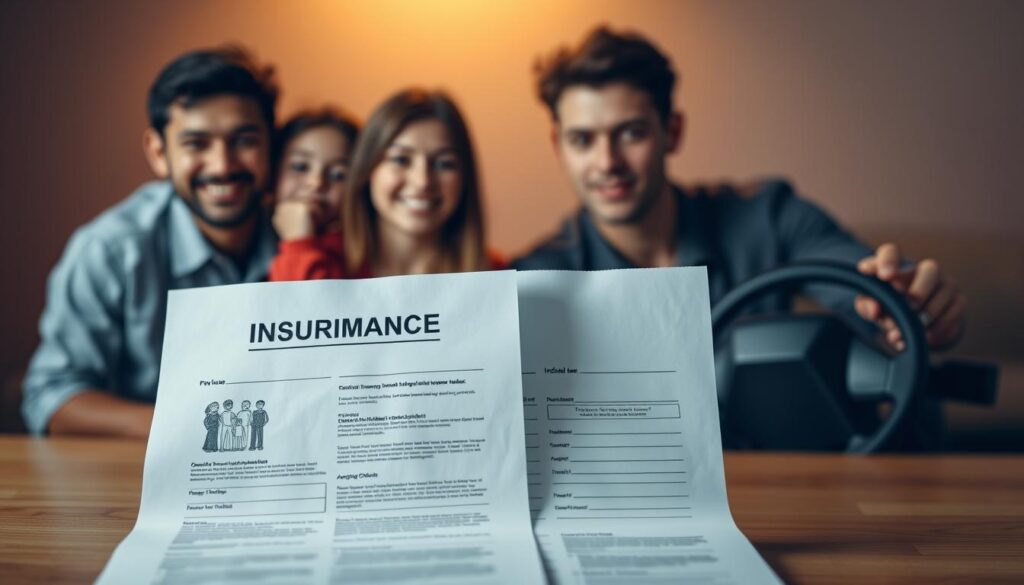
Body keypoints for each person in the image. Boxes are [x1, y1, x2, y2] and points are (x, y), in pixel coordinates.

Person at [514, 27, 966, 353]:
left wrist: (911, 305)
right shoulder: (536, 278)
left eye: (631, 133)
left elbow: (864, 284)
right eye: (582, 140)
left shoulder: (769, 217)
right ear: (558, 147)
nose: (608, 162)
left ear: (672, 132)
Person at [21, 46, 280, 437]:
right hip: (138, 479)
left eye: (244, 140)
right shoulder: (109, 250)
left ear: (270, 146)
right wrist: (181, 426)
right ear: (159, 153)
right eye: (196, 143)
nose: (223, 165)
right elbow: (51, 396)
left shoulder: (306, 238)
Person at [270, 88, 503, 279]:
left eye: (444, 164)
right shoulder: (315, 260)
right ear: (367, 170)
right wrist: (298, 248)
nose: (422, 181)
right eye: (401, 159)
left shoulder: (496, 276)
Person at [269, 108, 360, 280]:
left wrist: (298, 243)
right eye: (300, 167)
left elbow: (306, 304)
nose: (317, 182)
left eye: (338, 175)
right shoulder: (256, 238)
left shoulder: (356, 257)